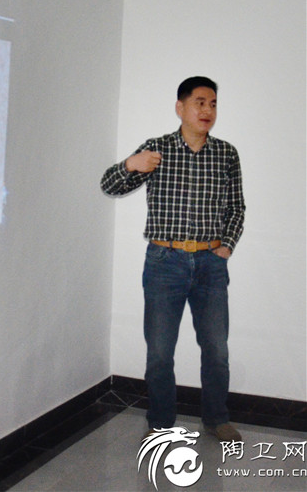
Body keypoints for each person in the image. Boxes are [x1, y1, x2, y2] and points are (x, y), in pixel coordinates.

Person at [100, 76, 245, 442]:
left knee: (216, 350)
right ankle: (161, 422)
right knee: (160, 352)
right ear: (180, 107)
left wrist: (226, 246)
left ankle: (216, 419)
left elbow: (237, 208)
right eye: (200, 102)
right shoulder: (157, 149)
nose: (207, 110)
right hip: (165, 262)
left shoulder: (226, 154)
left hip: (211, 264)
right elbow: (109, 185)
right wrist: (131, 164)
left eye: (213, 104)